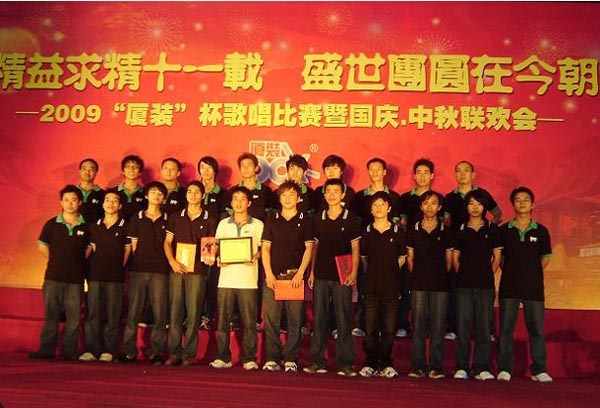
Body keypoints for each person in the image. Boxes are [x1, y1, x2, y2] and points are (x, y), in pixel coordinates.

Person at [304, 178, 361, 377]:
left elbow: (355, 248)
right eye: (328, 191)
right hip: (321, 275)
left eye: (336, 191)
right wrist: (312, 271)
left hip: (342, 276)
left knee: (344, 319)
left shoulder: (351, 218)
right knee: (319, 319)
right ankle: (316, 361)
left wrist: (354, 272)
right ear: (324, 194)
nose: (332, 195)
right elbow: (315, 247)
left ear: (343, 194)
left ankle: (345, 363)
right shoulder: (318, 218)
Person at [496, 187, 553, 383]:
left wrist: (531, 271)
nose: (522, 203)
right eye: (518, 200)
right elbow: (501, 259)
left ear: (532, 205)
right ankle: (504, 368)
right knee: (506, 329)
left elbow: (546, 258)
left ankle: (539, 369)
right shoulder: (504, 230)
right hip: (509, 286)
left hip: (533, 287)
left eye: (526, 200)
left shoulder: (541, 231)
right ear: (513, 204)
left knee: (536, 329)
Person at [29, 185, 91, 361]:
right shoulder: (52, 224)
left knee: (74, 317)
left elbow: (89, 249)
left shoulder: (87, 226)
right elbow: (42, 246)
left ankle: (70, 351)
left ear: (80, 202)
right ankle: (46, 349)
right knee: (51, 315)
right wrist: (56, 260)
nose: (70, 203)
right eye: (66, 200)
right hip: (53, 277)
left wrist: (76, 262)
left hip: (76, 279)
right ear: (61, 203)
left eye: (74, 200)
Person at [444, 160, 502, 340]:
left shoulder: (482, 194)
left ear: (473, 174)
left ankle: (487, 331)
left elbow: (498, 214)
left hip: (480, 248)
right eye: (458, 171)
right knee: (456, 290)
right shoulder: (450, 197)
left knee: (485, 294)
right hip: (459, 248)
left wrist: (487, 230)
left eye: (466, 170)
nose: (462, 174)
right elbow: (446, 221)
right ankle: (455, 328)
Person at [261, 181, 315, 373]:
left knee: (295, 320)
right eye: (284, 195)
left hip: (295, 277)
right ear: (279, 198)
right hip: (274, 277)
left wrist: (300, 273)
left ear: (298, 198)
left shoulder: (305, 220)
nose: (287, 198)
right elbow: (265, 248)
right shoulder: (272, 219)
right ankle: (272, 358)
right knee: (271, 320)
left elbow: (309, 248)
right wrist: (268, 274)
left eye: (291, 194)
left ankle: (291, 358)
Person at [210, 186, 264, 370]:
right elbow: (216, 247)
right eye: (235, 199)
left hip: (248, 280)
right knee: (223, 321)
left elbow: (264, 250)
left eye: (242, 199)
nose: (239, 203)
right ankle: (223, 357)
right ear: (231, 203)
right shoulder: (223, 224)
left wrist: (256, 256)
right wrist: (218, 257)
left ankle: (249, 358)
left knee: (249, 322)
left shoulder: (258, 225)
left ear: (249, 203)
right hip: (226, 280)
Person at [163, 181, 217, 366]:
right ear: (186, 195)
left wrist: (209, 257)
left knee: (194, 312)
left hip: (198, 271)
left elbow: (210, 246)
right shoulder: (176, 216)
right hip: (177, 269)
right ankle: (174, 352)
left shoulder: (209, 218)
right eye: (190, 192)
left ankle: (189, 353)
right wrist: (172, 262)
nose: (193, 195)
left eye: (197, 192)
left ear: (203, 195)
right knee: (175, 311)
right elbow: (167, 242)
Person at [452, 190, 501, 381]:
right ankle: (462, 367)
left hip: (485, 286)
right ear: (467, 206)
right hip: (464, 285)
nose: (475, 207)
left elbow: (497, 257)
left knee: (483, 327)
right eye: (471, 203)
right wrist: (464, 274)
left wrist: (487, 273)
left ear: (485, 207)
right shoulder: (461, 229)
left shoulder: (492, 229)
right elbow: (456, 258)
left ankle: (482, 367)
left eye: (479, 204)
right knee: (463, 326)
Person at [350, 157, 401, 337]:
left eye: (378, 169)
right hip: (366, 249)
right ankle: (362, 324)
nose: (375, 172)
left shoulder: (395, 197)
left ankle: (386, 327)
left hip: (388, 250)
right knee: (365, 287)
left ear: (384, 172)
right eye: (371, 169)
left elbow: (398, 225)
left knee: (389, 292)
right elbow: (354, 225)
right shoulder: (359, 197)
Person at [120, 181, 169, 365]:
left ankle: (156, 352)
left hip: (161, 271)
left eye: (160, 193)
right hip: (138, 270)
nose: (156, 195)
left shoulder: (168, 219)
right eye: (153, 192)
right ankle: (128, 351)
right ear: (147, 195)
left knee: (159, 313)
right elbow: (133, 246)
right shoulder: (137, 218)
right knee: (133, 311)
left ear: (164, 198)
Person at [79, 189, 131, 363]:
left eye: (115, 201)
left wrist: (119, 267)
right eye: (107, 200)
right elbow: (89, 249)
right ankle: (91, 350)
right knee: (93, 314)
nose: (110, 203)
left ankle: (109, 350)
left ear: (120, 205)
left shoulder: (125, 226)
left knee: (113, 315)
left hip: (115, 277)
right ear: (102, 204)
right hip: (95, 276)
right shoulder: (94, 226)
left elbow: (127, 250)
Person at [358, 192, 406, 378]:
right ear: (371, 209)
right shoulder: (366, 231)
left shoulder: (397, 231)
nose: (379, 208)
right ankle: (370, 363)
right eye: (375, 205)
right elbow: (363, 259)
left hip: (391, 287)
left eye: (382, 205)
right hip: (371, 287)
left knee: (388, 328)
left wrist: (390, 271)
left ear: (389, 208)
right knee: (370, 328)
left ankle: (386, 363)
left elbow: (402, 258)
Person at [406, 191, 453, 379]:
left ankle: (436, 367)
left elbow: (449, 261)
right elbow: (410, 259)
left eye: (434, 203)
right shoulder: (413, 229)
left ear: (439, 207)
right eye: (426, 203)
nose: (430, 207)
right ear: (421, 206)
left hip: (440, 285)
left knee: (438, 326)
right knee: (418, 326)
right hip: (418, 284)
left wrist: (439, 276)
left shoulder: (446, 231)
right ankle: (417, 366)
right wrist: (418, 276)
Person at [396, 158, 441, 338]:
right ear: (414, 176)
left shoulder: (439, 198)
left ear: (432, 176)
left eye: (426, 173)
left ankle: (432, 327)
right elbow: (402, 225)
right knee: (407, 287)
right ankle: (402, 324)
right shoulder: (405, 198)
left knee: (433, 291)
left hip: (434, 252)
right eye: (419, 173)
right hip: (411, 249)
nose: (422, 176)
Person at [197, 156, 229, 330]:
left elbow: (224, 221)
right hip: (192, 242)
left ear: (215, 171)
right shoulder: (193, 191)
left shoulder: (223, 194)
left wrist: (219, 245)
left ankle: (207, 316)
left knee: (210, 281)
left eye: (209, 167)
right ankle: (191, 316)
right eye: (202, 167)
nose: (206, 171)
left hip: (211, 243)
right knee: (193, 281)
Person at [115, 155, 146, 221]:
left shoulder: (145, 193)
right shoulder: (114, 192)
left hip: (138, 226)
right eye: (128, 166)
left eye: (135, 167)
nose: (131, 169)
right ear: (123, 171)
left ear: (140, 172)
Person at [77, 158, 105, 224]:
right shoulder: (72, 192)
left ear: (96, 172)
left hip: (94, 229)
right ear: (79, 171)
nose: (87, 172)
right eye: (84, 169)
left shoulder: (102, 194)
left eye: (91, 169)